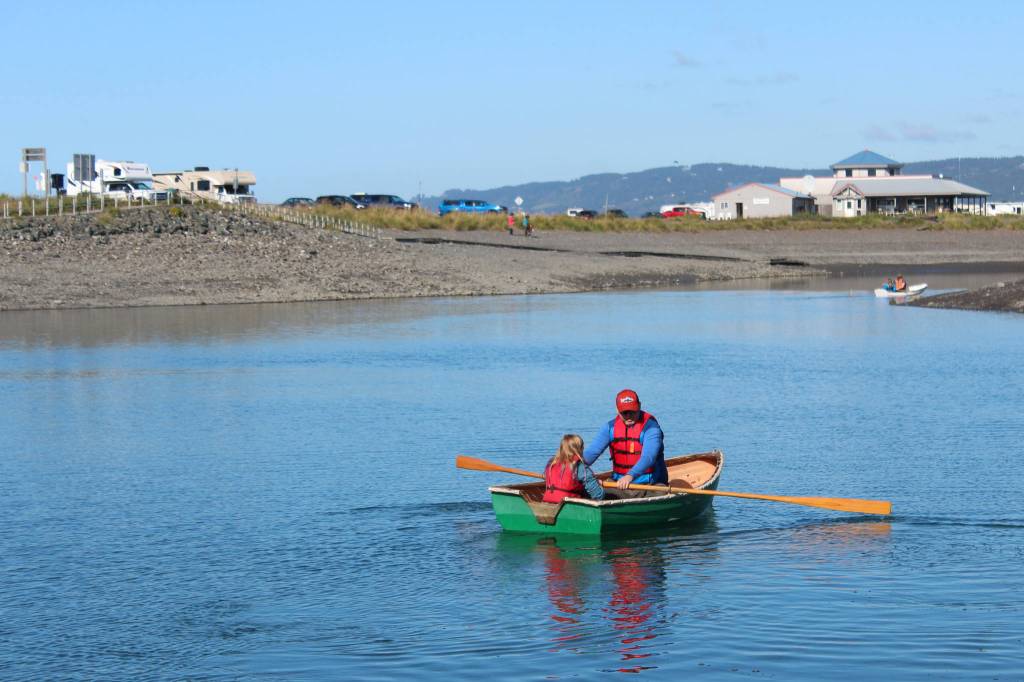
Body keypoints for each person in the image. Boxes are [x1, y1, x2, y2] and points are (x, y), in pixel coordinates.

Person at [583, 389, 668, 493]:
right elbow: (591, 452)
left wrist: (629, 476)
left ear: (639, 406)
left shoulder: (651, 429)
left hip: (650, 484)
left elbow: (649, 457)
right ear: (617, 410)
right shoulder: (610, 427)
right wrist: (572, 465)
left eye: (632, 411)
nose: (629, 416)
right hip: (618, 482)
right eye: (624, 413)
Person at [542, 434, 605, 503]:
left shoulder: (551, 463)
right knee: (613, 494)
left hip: (548, 502)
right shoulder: (579, 466)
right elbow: (598, 496)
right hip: (570, 506)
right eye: (582, 447)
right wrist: (598, 485)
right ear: (579, 449)